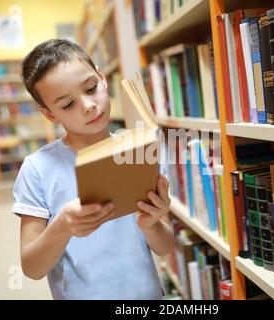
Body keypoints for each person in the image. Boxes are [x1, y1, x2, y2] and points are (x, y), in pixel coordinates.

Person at [12, 39, 174, 299]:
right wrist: (61, 227)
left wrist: (151, 224)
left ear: (102, 77)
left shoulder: (139, 150)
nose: (88, 105)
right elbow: (31, 268)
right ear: (50, 115)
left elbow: (165, 246)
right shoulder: (37, 169)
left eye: (91, 87)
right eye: (67, 105)